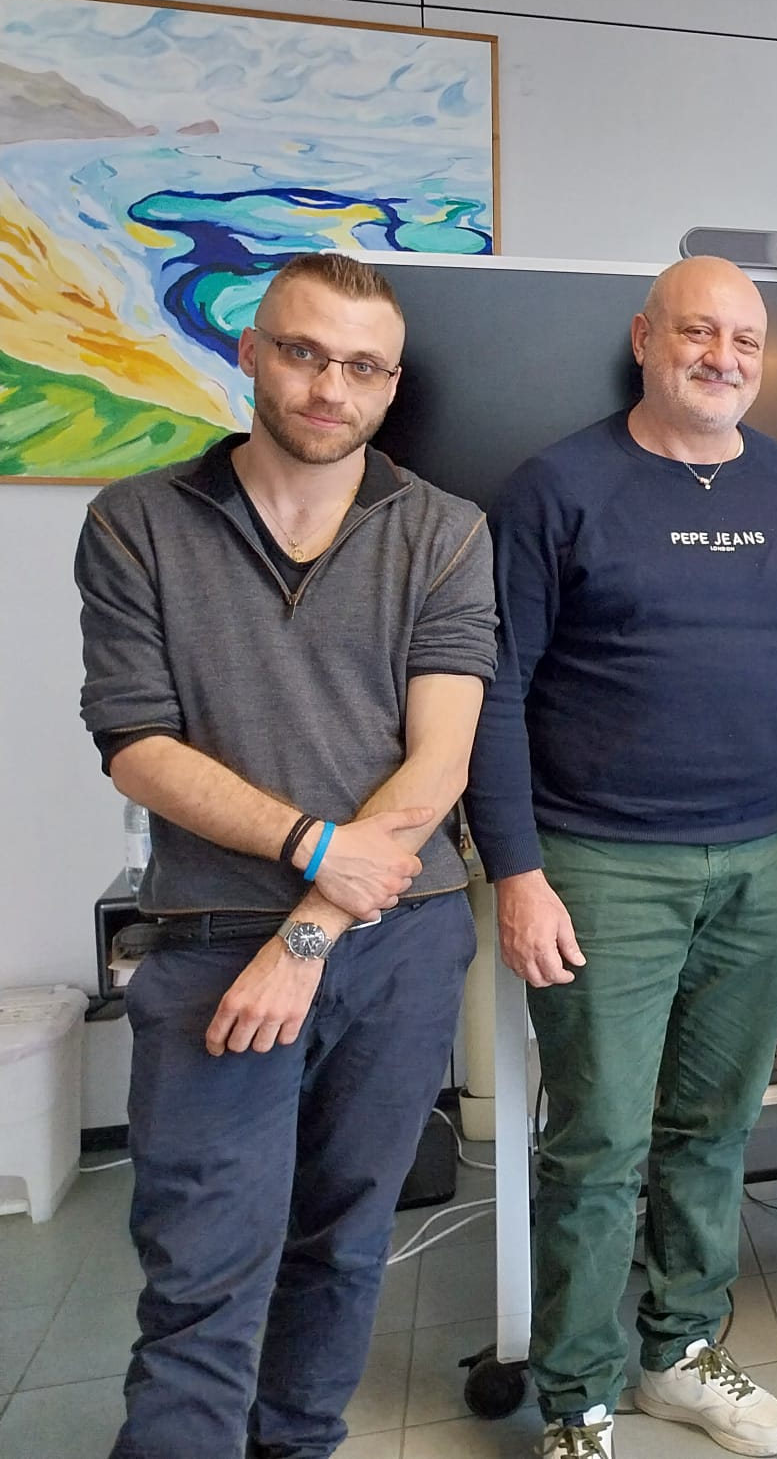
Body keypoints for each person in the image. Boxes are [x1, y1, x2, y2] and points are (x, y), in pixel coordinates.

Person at [76, 251, 498, 1458]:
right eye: (305, 354)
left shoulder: (445, 531)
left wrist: (311, 928)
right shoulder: (138, 523)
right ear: (252, 352)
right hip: (213, 942)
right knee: (203, 1274)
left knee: (345, 1246)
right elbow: (137, 748)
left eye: (362, 367)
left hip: (397, 942)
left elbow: (439, 763)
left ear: (392, 385)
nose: (330, 387)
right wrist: (313, 847)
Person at [465, 256, 777, 1459]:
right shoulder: (557, 490)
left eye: (745, 340)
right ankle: (576, 1399)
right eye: (697, 332)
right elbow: (495, 689)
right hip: (598, 865)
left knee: (716, 1124)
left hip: (762, 853)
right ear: (645, 338)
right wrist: (517, 871)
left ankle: (678, 1354)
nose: (721, 358)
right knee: (597, 1142)